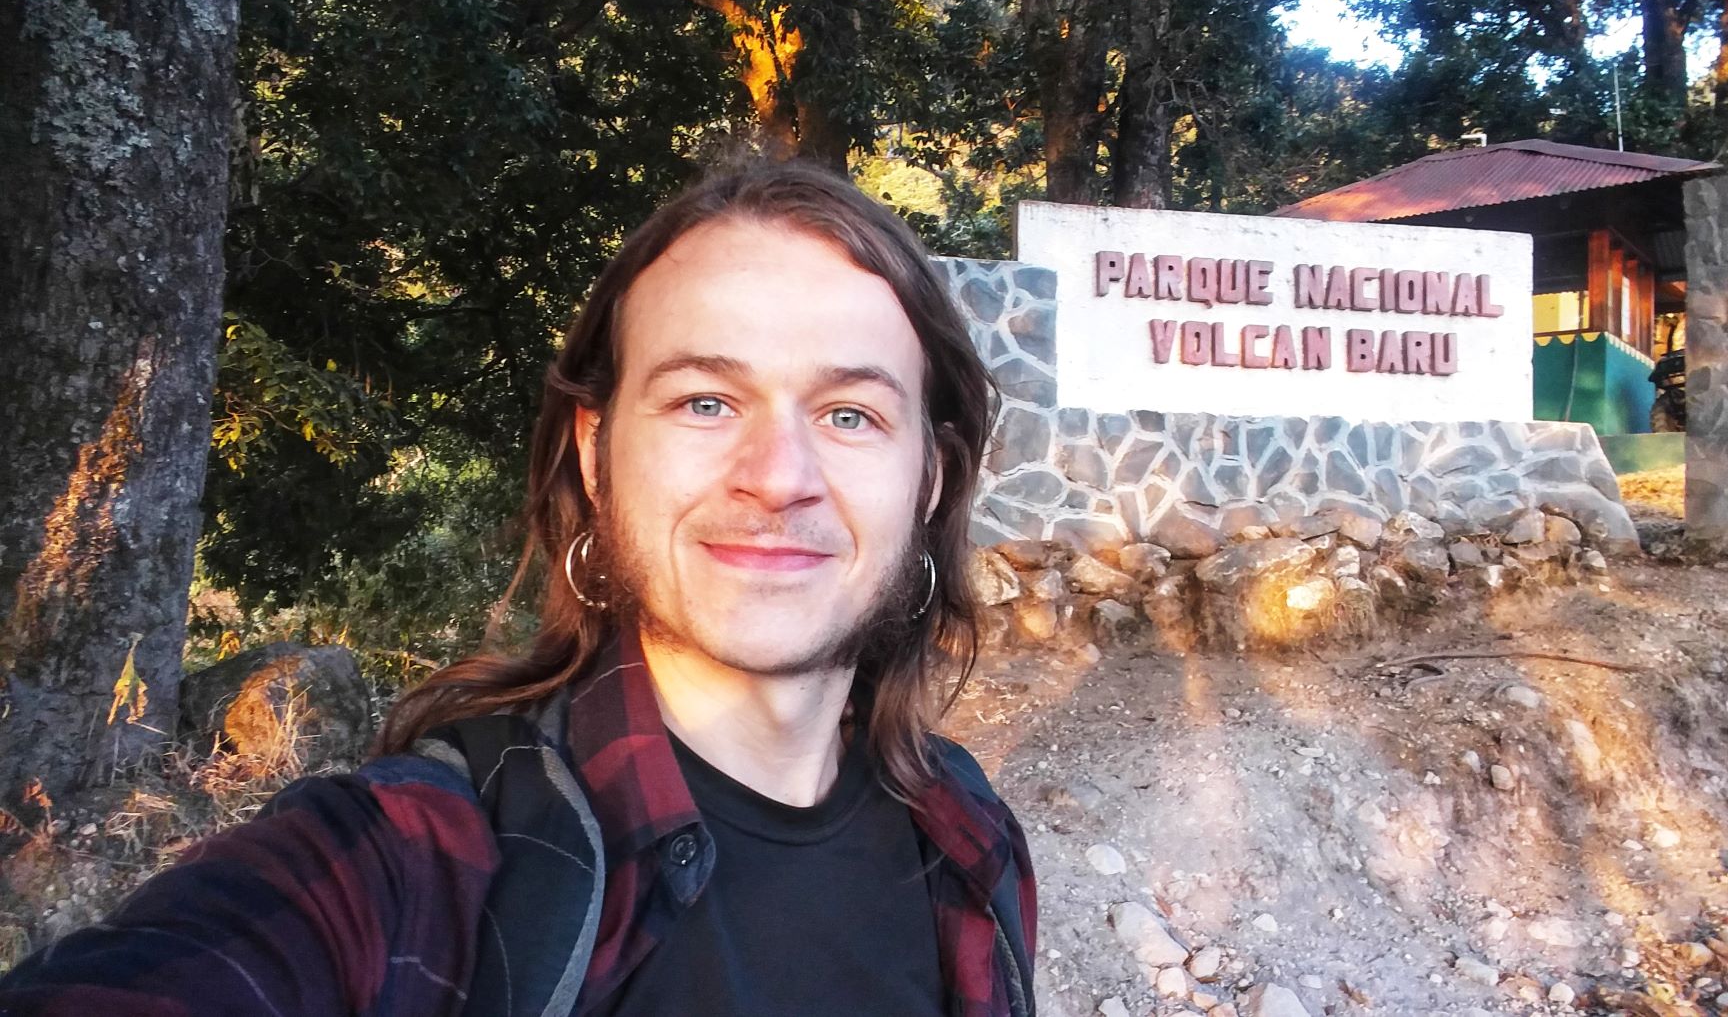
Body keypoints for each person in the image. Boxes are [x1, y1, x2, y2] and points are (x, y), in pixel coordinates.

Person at [0, 162, 1035, 1017]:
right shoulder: (426, 866)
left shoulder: (969, 837)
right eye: (706, 400)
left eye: (850, 414)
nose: (778, 473)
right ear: (597, 454)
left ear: (928, 477)